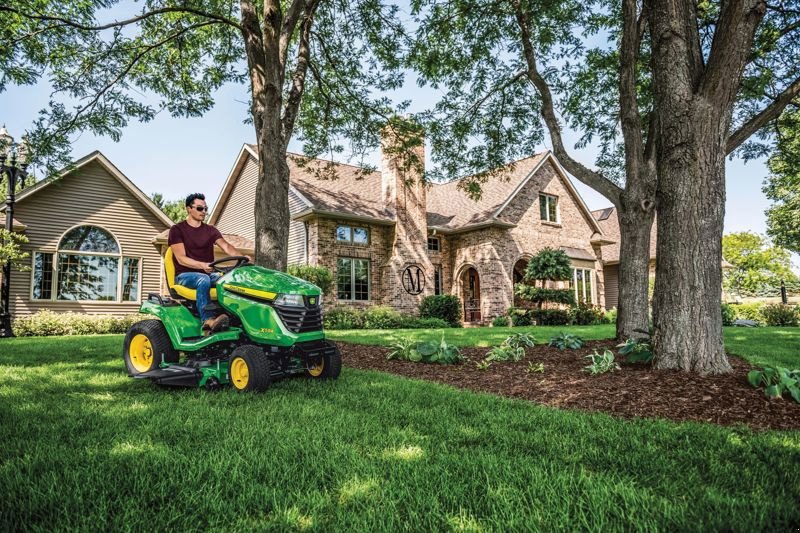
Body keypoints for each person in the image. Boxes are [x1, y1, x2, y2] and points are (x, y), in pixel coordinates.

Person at [168, 193, 251, 333]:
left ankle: (239, 318)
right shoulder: (177, 230)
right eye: (200, 208)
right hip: (184, 276)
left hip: (208, 274)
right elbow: (181, 258)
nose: (204, 212)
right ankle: (207, 320)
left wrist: (243, 257)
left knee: (231, 279)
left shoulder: (210, 230)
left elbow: (226, 247)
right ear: (189, 209)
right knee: (203, 279)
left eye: (206, 209)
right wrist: (202, 265)